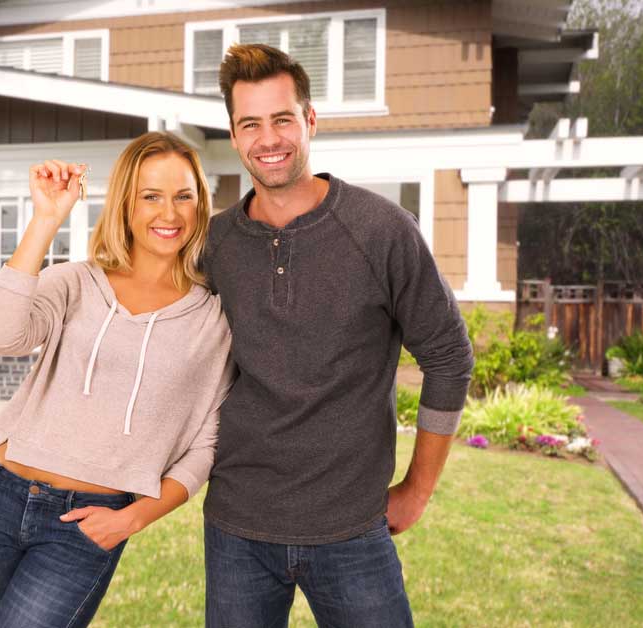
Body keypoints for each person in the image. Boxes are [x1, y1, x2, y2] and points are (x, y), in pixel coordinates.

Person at [200, 44, 475, 627]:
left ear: (310, 121)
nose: (268, 138)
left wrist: (418, 490)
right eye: (251, 123)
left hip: (352, 530)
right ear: (233, 133)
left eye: (283, 119)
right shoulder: (215, 244)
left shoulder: (380, 230)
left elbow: (450, 357)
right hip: (237, 527)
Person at [0, 131, 233, 628]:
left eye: (183, 196)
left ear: (200, 205)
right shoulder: (76, 282)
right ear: (126, 203)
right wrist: (46, 219)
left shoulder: (214, 320)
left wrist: (133, 518)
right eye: (150, 196)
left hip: (87, 522)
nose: (168, 214)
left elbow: (207, 444)